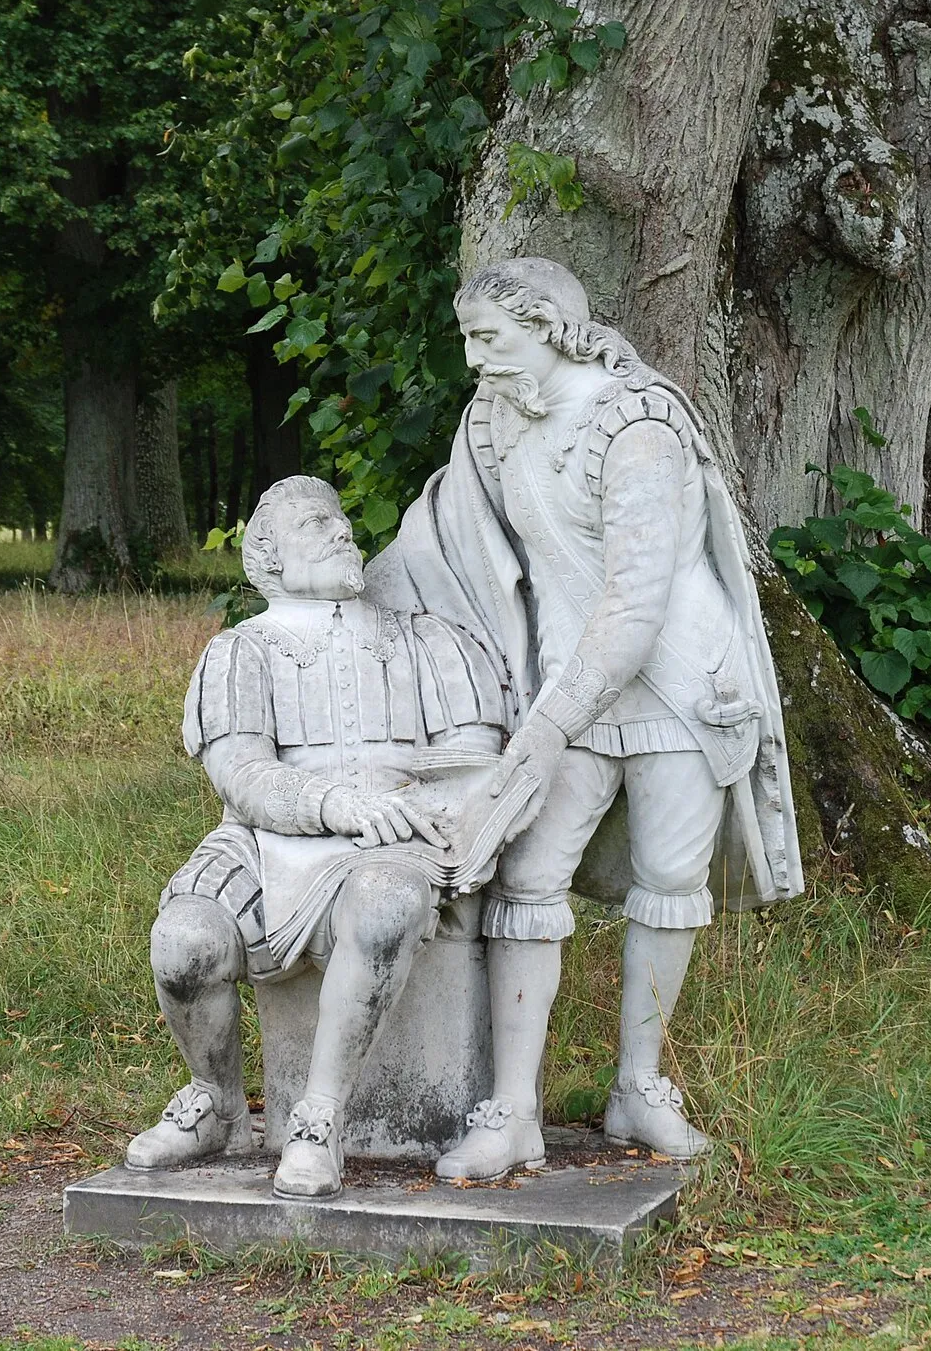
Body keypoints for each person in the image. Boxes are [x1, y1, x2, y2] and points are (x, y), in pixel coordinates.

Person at [366, 258, 804, 1181]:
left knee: (670, 877)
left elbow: (635, 608)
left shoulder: (639, 426)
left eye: (492, 338)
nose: (475, 359)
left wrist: (548, 727)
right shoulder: (492, 419)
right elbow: (446, 532)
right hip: (564, 681)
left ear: (552, 329)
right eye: (469, 339)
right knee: (528, 872)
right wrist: (354, 605)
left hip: (679, 683)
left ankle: (639, 1086)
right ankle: (514, 1107)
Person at [127, 476, 508, 1198]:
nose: (339, 530)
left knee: (388, 896)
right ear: (266, 559)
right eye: (313, 524)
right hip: (271, 838)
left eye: (340, 518)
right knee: (183, 940)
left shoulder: (425, 642)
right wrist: (337, 800)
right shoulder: (241, 652)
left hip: (398, 834)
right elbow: (242, 773)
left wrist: (415, 805)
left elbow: (477, 763)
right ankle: (218, 1102)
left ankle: (319, 1117)